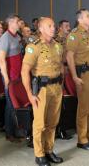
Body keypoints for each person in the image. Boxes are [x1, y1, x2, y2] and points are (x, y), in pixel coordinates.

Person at [22, 17, 64, 166]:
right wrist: (29, 94)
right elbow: (24, 71)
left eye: (53, 25)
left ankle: (49, 150)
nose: (53, 28)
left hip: (56, 88)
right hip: (41, 90)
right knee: (40, 124)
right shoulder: (34, 46)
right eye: (50, 26)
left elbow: (61, 66)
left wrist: (61, 84)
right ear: (41, 29)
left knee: (53, 122)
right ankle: (39, 154)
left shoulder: (58, 46)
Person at [66, 9, 89, 151]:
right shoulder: (75, 35)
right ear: (80, 20)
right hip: (83, 75)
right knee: (84, 108)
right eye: (88, 15)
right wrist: (74, 76)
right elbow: (69, 57)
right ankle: (82, 139)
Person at [0, 14, 22, 142]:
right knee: (10, 104)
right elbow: (1, 60)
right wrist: (6, 78)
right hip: (10, 77)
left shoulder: (17, 36)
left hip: (18, 76)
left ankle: (17, 130)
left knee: (16, 103)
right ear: (11, 23)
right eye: (18, 21)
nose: (20, 23)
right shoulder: (5, 38)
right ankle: (9, 133)